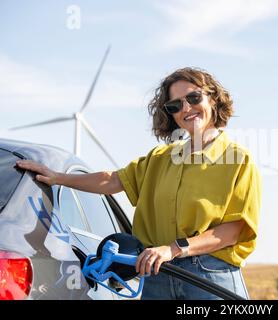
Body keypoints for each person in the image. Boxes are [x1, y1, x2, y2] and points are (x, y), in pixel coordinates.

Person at [15, 67, 261, 300]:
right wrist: (57, 177)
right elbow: (111, 180)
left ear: (213, 99)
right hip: (157, 273)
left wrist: (174, 249)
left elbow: (233, 231)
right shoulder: (159, 159)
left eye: (194, 97)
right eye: (175, 105)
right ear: (171, 115)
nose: (187, 108)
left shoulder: (237, 160)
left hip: (210, 276)